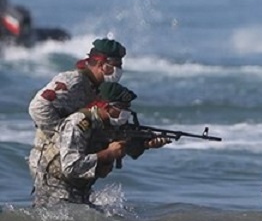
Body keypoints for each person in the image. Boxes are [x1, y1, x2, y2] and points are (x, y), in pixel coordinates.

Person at [31, 82, 168, 207]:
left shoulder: (113, 124)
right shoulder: (79, 124)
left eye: (128, 108)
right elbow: (70, 166)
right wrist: (108, 154)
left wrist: (147, 144)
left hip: (81, 188)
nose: (126, 113)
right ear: (106, 107)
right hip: (55, 186)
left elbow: (126, 148)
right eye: (122, 108)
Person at [28, 38, 127, 178]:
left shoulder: (98, 88)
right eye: (115, 66)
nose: (119, 71)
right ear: (101, 64)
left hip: (72, 162)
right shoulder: (73, 82)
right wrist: (63, 135)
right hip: (52, 161)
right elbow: (38, 107)